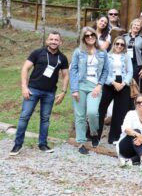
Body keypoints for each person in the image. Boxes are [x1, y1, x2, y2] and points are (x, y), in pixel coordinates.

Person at [9, 32, 69, 156]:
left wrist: (63, 91)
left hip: (50, 92)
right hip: (33, 90)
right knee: (24, 116)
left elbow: (66, 75)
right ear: (47, 41)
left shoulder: (62, 58)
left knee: (45, 119)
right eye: (51, 39)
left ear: (60, 42)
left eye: (56, 40)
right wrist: (24, 87)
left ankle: (42, 144)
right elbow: (25, 68)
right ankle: (18, 144)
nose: (53, 41)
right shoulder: (37, 53)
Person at [70, 27, 110, 155]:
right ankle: (81, 143)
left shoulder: (102, 53)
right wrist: (74, 89)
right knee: (80, 115)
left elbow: (105, 71)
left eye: (92, 35)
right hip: (81, 85)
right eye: (87, 36)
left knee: (92, 112)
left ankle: (93, 133)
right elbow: (73, 71)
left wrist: (99, 85)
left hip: (95, 86)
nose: (90, 37)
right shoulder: (78, 52)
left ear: (95, 36)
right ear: (83, 38)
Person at [97, 36, 133, 144]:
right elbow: (102, 72)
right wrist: (113, 82)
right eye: (117, 43)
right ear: (114, 44)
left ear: (124, 46)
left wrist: (124, 83)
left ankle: (114, 137)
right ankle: (95, 135)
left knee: (120, 111)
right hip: (109, 83)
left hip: (123, 83)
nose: (119, 46)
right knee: (101, 108)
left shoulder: (126, 57)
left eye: (122, 44)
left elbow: (130, 72)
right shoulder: (107, 56)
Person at [117, 93, 142, 170]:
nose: (141, 104)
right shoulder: (131, 113)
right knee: (135, 131)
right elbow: (126, 129)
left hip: (139, 148)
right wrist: (139, 135)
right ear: (135, 104)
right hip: (126, 147)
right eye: (138, 102)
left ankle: (129, 161)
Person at [123, 19, 142, 86]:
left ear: (140, 28)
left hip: (137, 64)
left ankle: (134, 96)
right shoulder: (124, 37)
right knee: (125, 81)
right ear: (131, 25)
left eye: (138, 25)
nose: (136, 26)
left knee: (134, 83)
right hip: (124, 62)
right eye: (135, 25)